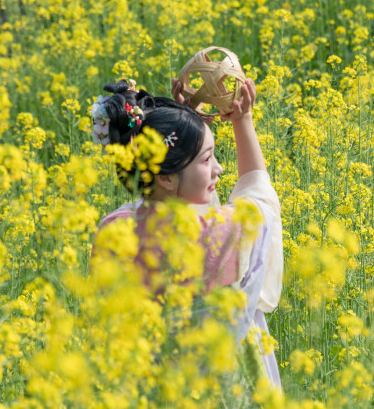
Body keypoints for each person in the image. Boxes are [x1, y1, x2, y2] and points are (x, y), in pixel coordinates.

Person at [92, 77, 283, 389]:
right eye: (207, 159)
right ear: (165, 177)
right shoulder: (220, 233)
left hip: (149, 389)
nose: (218, 168)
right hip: (223, 388)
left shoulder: (114, 231)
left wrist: (183, 124)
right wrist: (242, 119)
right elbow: (259, 198)